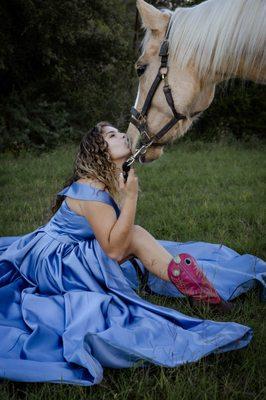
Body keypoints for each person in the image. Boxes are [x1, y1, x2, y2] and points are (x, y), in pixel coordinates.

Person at [0, 121, 265, 387]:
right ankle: (202, 294)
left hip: (77, 246)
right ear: (98, 150)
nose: (123, 135)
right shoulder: (92, 188)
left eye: (119, 131)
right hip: (53, 259)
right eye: (112, 135)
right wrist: (131, 199)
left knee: (137, 236)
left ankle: (201, 293)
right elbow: (115, 250)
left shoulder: (108, 179)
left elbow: (114, 236)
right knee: (135, 235)